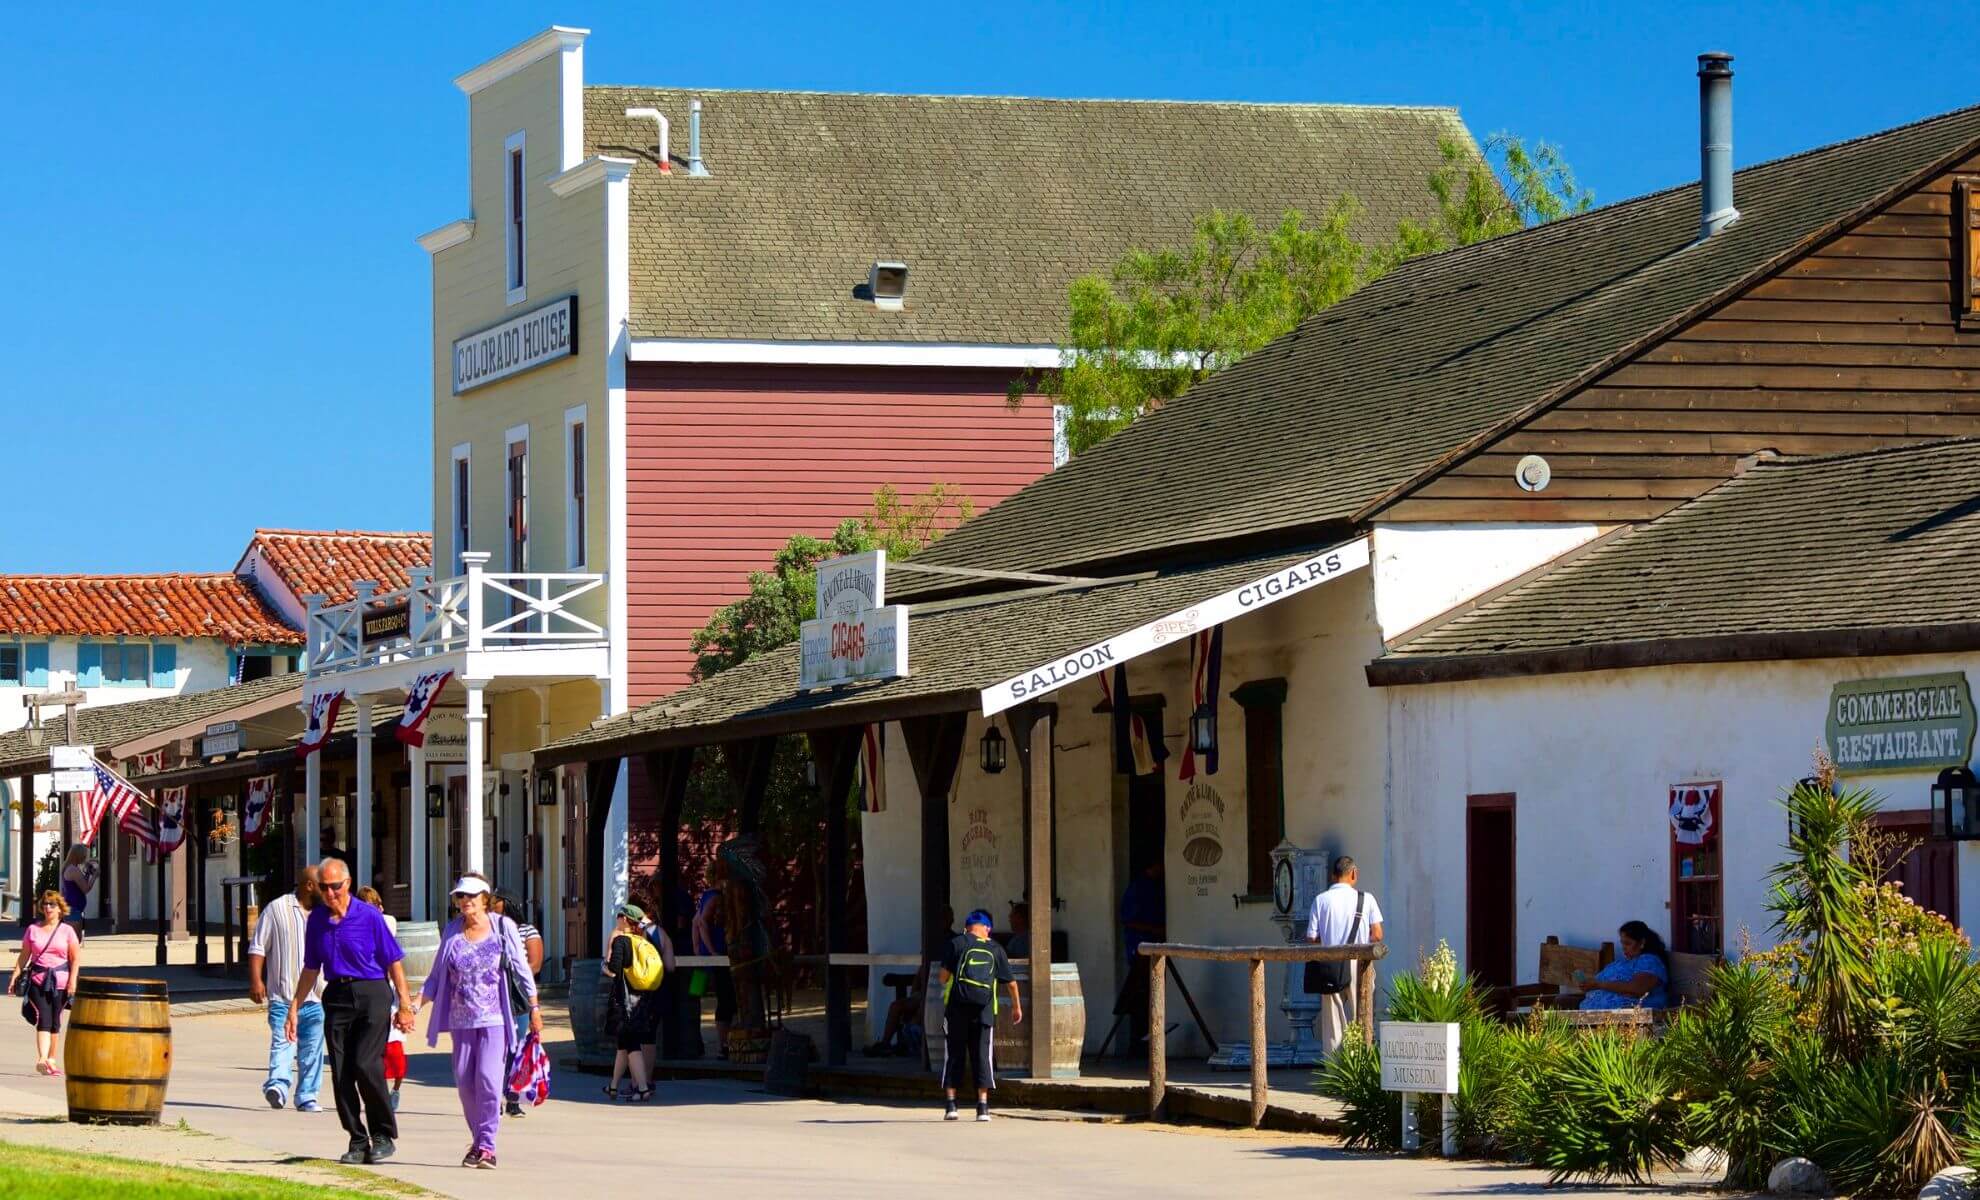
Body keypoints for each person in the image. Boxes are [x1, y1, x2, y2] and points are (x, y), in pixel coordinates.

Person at [287, 857, 414, 1166]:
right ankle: (357, 1139)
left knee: (366, 1063)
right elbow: (310, 967)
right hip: (337, 995)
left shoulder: (369, 916)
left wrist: (406, 1004)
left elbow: (393, 960)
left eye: (334, 887)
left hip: (372, 992)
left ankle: (382, 1135)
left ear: (347, 884)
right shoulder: (316, 920)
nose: (329, 894)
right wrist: (294, 1006)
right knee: (342, 1071)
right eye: (323, 888)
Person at [416, 876, 541, 1170]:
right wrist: (413, 1005)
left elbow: (523, 970)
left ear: (485, 898)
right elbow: (436, 977)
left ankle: (487, 1144)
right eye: (461, 896)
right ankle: (478, 1141)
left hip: (495, 1018)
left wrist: (534, 1007)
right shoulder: (452, 931)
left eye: (471, 896)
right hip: (461, 1020)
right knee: (464, 1083)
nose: (465, 901)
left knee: (488, 1079)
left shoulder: (502, 927)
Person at [250, 866, 325, 1113]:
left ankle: (307, 1096)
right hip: (283, 996)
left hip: (317, 998)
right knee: (283, 1043)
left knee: (312, 1051)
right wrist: (256, 981)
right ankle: (278, 1086)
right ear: (309, 886)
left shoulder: (326, 914)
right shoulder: (276, 909)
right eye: (322, 885)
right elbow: (258, 947)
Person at [937, 909, 1020, 1123]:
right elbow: (1011, 983)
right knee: (982, 1055)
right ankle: (983, 1107)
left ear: (967, 927)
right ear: (987, 928)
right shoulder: (995, 948)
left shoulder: (956, 944)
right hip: (984, 1011)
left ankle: (951, 1105)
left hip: (956, 1009)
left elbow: (943, 978)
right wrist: (1016, 1008)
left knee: (954, 1054)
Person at [1304, 855, 1384, 1057]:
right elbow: (1377, 934)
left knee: (1332, 1020)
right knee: (1361, 1013)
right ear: (1354, 874)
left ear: (1333, 876)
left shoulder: (1320, 900)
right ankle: (1361, 1064)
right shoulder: (1366, 899)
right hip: (1359, 963)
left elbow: (1311, 938)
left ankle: (1334, 1071)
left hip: (1328, 963)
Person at [8, 891, 80, 1075]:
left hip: (61, 981)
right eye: (45, 904)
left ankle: (51, 1059)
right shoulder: (33, 930)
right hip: (37, 980)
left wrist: (73, 982)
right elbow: (24, 956)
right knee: (43, 1017)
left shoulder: (68, 931)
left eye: (52, 904)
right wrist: (14, 976)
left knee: (56, 1021)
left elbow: (75, 959)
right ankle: (42, 1058)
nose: (48, 907)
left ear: (60, 909)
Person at [866, 906, 953, 1058]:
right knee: (896, 1006)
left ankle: (909, 1046)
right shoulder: (930, 941)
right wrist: (914, 990)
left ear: (949, 920)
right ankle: (886, 1044)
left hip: (941, 993)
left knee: (922, 1009)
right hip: (923, 992)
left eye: (943, 918)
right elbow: (920, 970)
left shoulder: (954, 942)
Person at [491, 890, 545, 1117]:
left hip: (519, 996)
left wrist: (511, 972)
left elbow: (534, 965)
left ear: (507, 903)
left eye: (495, 901)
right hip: (493, 995)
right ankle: (494, 1100)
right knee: (495, 1049)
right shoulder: (489, 928)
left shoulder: (526, 930)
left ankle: (513, 1098)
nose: (491, 905)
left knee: (516, 1048)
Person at [355, 886, 408, 1112]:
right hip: (365, 995)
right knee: (371, 1051)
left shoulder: (387, 923)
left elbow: (394, 964)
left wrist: (405, 1003)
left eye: (374, 907)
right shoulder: (353, 927)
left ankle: (395, 1089)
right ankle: (377, 1093)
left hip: (388, 994)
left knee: (395, 1052)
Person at [603, 904, 657, 1101]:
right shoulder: (641, 941)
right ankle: (613, 1086)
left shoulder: (621, 941)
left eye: (619, 915)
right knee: (623, 1045)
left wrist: (604, 967)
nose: (617, 918)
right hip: (640, 1000)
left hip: (623, 1001)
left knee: (631, 1044)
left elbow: (614, 969)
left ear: (625, 919)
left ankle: (642, 1088)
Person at [1574, 921, 1672, 1011]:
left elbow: (1637, 989)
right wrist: (1591, 986)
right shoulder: (1623, 961)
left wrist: (1599, 985)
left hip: (1629, 1020)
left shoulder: (1649, 961)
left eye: (1628, 943)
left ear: (1642, 943)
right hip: (1595, 1018)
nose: (1623, 948)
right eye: (1622, 943)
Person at [1118, 862, 1165, 1047]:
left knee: (1153, 986)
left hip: (1154, 942)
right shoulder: (1138, 888)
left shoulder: (1156, 887)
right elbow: (1128, 920)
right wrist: (1155, 930)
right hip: (1140, 944)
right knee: (1141, 988)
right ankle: (1140, 1034)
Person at [636, 895, 678, 1082]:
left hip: (639, 992)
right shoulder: (662, 934)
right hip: (659, 990)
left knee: (635, 1039)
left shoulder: (635, 932)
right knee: (649, 1037)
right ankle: (647, 1079)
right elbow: (670, 966)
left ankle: (638, 1082)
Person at [691, 883, 735, 1060]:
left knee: (695, 997)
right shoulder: (716, 897)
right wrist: (711, 951)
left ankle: (700, 1041)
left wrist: (697, 950)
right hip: (715, 959)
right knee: (726, 999)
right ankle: (723, 1045)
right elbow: (700, 923)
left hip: (704, 959)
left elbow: (695, 923)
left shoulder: (706, 896)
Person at [59, 846, 96, 941]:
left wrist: (87, 873)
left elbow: (81, 884)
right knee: (74, 940)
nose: (85, 858)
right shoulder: (73, 870)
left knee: (76, 939)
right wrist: (95, 876)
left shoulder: (71, 868)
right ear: (77, 856)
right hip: (73, 908)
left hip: (74, 908)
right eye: (83, 855)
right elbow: (85, 889)